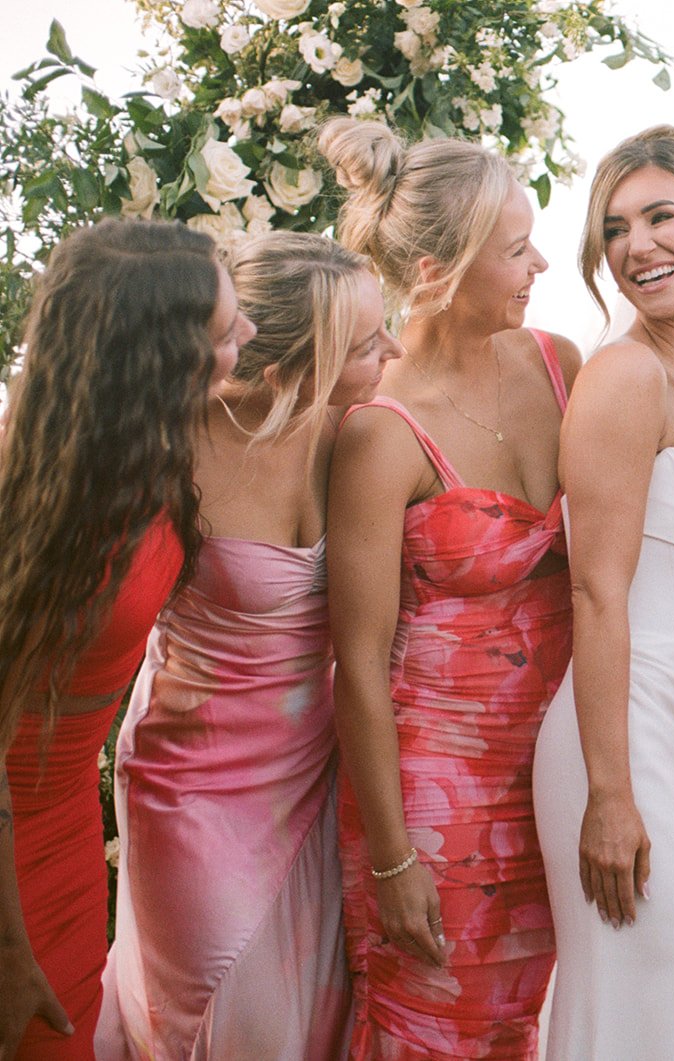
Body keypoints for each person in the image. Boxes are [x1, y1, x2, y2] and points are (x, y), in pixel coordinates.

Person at [97, 232, 401, 1060]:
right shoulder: (173, 442)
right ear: (290, 368)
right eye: (367, 344)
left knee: (313, 1018)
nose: (393, 350)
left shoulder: (358, 435)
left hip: (316, 778)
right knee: (227, 1019)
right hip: (192, 787)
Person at [319, 117, 581, 1058]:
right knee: (442, 1031)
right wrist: (395, 860)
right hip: (437, 795)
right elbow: (356, 663)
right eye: (515, 249)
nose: (540, 263)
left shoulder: (561, 364)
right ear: (438, 269)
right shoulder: (381, 429)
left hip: (558, 772)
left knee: (539, 1026)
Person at [0, 219, 246, 1060]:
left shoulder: (148, 451)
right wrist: (8, 946)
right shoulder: (36, 496)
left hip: (66, 816)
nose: (248, 335)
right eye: (227, 329)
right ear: (160, 358)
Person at [532, 125, 674, 1061]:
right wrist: (609, 794)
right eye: (615, 229)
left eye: (661, 217)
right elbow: (596, 592)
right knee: (644, 1016)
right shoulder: (624, 373)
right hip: (622, 735)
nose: (637, 246)